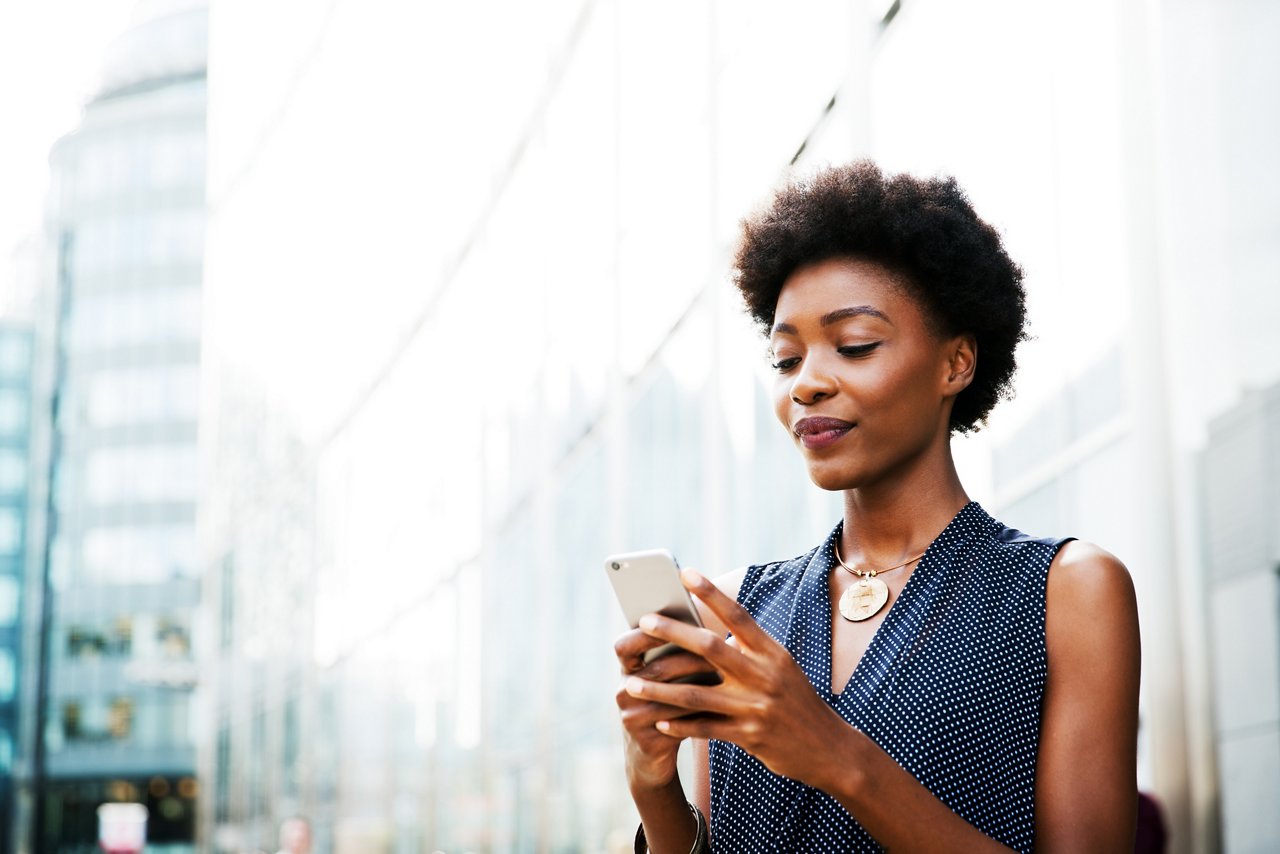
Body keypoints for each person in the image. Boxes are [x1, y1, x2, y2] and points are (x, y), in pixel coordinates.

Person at [613, 161, 1141, 852]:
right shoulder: (738, 610)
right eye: (785, 360)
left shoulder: (1065, 592)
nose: (807, 385)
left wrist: (838, 757)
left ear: (956, 364)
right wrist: (655, 788)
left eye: (854, 345)